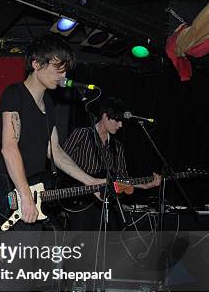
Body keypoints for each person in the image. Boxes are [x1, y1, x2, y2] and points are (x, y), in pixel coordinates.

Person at [0, 34, 104, 292]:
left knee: (23, 279)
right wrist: (24, 195)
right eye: (57, 68)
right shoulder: (14, 94)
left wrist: (90, 180)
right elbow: (10, 146)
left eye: (65, 70)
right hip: (10, 196)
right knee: (18, 279)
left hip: (32, 196)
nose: (62, 76)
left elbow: (58, 154)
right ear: (36, 64)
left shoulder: (49, 106)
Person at [62, 97, 161, 231]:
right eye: (117, 120)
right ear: (105, 116)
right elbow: (61, 162)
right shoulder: (81, 134)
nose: (120, 125)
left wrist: (144, 185)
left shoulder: (117, 147)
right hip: (78, 200)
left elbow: (121, 180)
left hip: (103, 204)